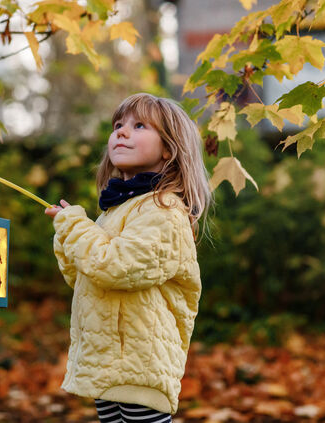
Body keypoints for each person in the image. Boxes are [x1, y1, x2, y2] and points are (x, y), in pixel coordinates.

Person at [45, 93, 212, 423]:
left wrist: (75, 226)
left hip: (140, 362)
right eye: (118, 125)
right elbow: (84, 276)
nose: (121, 132)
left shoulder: (164, 211)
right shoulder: (117, 210)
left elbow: (114, 267)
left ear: (168, 148)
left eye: (138, 126)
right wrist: (66, 233)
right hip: (108, 361)